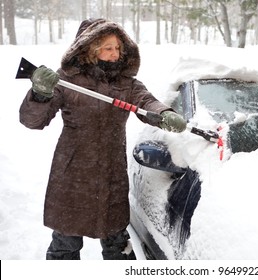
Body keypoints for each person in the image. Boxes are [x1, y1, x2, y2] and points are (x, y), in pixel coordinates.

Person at [19, 18, 186, 260]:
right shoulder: (66, 80)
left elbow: (146, 102)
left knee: (118, 245)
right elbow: (32, 121)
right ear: (89, 48)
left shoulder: (126, 84)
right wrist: (39, 93)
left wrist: (164, 114)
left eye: (118, 48)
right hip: (71, 175)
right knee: (65, 246)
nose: (115, 54)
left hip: (111, 177)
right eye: (108, 48)